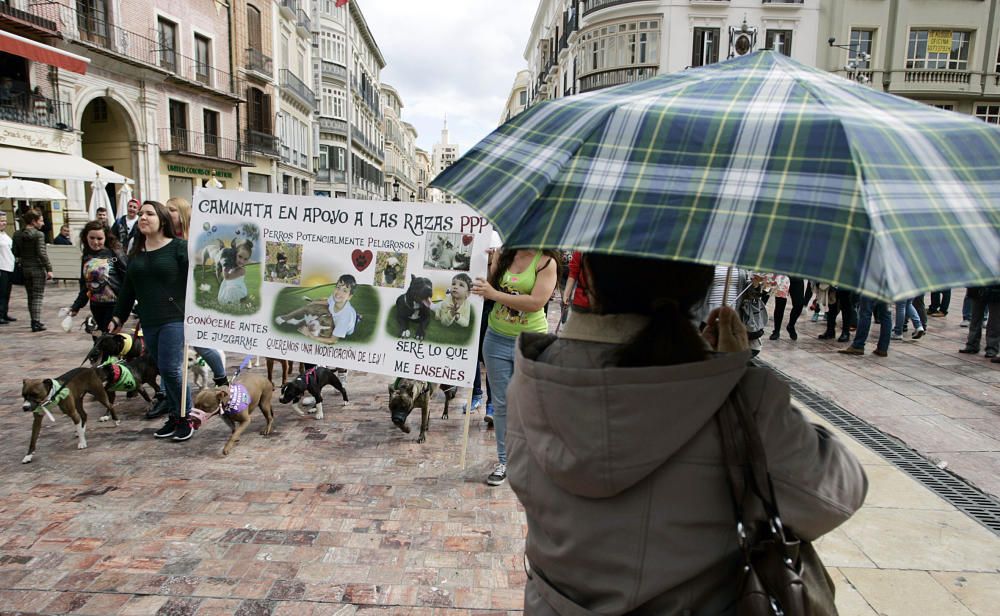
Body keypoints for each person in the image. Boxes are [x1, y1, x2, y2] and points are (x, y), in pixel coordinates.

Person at [504, 254, 867, 613]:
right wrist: (731, 372)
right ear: (701, 286)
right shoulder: (744, 400)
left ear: (590, 281)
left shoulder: (532, 381)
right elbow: (837, 492)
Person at [471, 247, 559, 486]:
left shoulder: (546, 262)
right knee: (501, 404)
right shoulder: (505, 255)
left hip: (530, 341)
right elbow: (484, 289)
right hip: (496, 338)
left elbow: (536, 302)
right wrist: (490, 261)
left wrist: (494, 294)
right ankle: (505, 461)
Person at [109, 200, 195, 441]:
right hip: (150, 321)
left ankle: (186, 417)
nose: (143, 217)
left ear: (162, 220)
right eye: (142, 214)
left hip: (175, 319)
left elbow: (197, 281)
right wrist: (118, 316)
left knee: (171, 369)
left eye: (149, 214)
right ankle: (174, 416)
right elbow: (128, 289)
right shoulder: (136, 253)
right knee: (164, 372)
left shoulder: (179, 248)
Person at [67, 221, 126, 334]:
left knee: (108, 339)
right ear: (86, 237)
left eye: (99, 238)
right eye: (92, 238)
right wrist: (76, 306)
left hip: (114, 304)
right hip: (96, 305)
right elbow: (85, 284)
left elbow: (127, 278)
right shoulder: (86, 256)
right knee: (98, 338)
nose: (95, 242)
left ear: (106, 238)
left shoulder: (114, 253)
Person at [11, 210, 52, 332]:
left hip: (25, 268)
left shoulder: (17, 234)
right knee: (38, 296)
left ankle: (33, 320)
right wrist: (49, 269)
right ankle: (36, 322)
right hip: (37, 268)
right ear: (34, 221)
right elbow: (42, 253)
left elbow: (15, 252)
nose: (43, 223)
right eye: (41, 220)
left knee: (30, 296)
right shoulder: (38, 235)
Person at [959, 285, 1000, 361]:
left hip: (996, 288)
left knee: (994, 321)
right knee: (975, 318)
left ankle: (992, 348)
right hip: (977, 287)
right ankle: (972, 344)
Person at [0, 212, 15, 324]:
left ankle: (4, 313)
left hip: (9, 267)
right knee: (1, 293)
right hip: (1, 267)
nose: (3, 223)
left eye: (4, 220)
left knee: (7, 292)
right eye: (1, 221)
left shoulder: (5, 234)